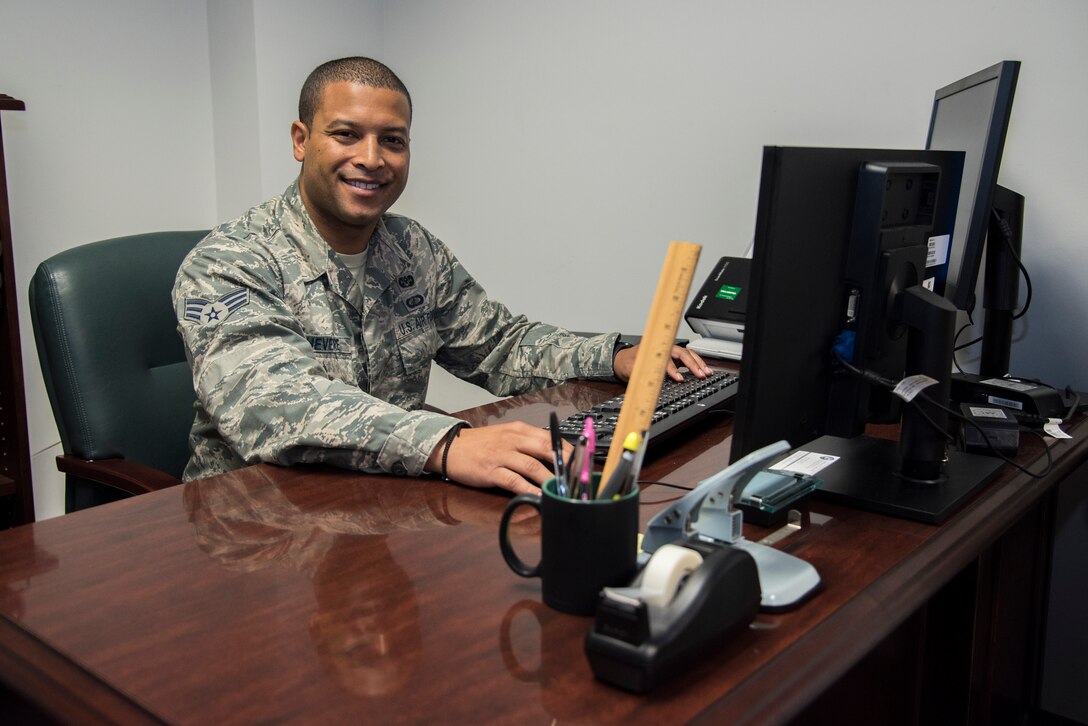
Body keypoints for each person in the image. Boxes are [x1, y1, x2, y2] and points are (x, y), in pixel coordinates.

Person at [173, 57, 710, 495]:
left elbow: (498, 345)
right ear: (300, 140)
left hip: (385, 502)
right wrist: (447, 443)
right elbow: (274, 403)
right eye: (346, 134)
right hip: (256, 529)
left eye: (393, 140)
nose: (371, 158)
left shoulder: (413, 248)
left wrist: (615, 355)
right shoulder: (228, 262)